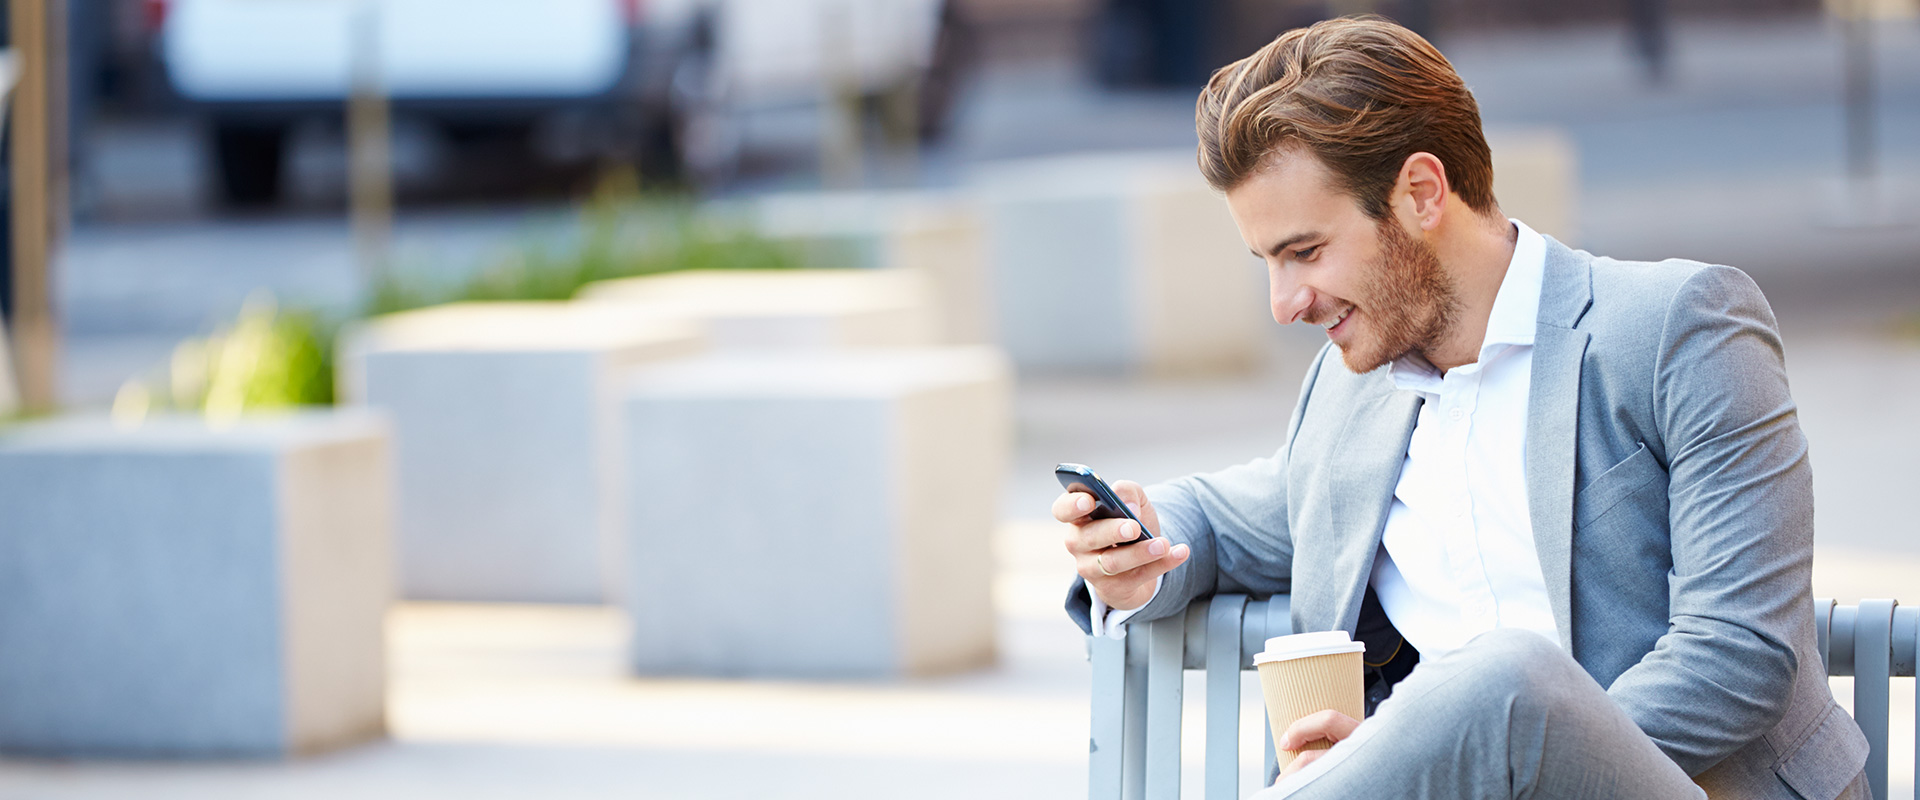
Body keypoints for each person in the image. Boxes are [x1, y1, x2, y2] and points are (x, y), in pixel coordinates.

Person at [1053, 16, 1871, 799]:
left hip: (1695, 787)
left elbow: (1736, 655)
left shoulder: (1677, 329)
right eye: (1267, 261)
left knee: (1506, 675)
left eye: (1305, 251)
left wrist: (1454, 768)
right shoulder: (1353, 392)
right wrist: (1131, 546)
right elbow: (1240, 519)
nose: (1283, 303)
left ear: (1420, 192)